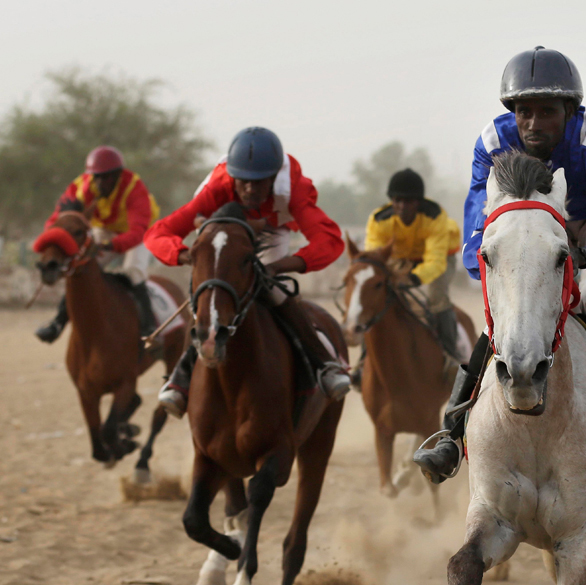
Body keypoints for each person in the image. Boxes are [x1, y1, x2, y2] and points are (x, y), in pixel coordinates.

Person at [413, 46, 586, 504]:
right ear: (512, 114)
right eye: (525, 112)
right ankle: (449, 435)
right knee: (504, 318)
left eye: (547, 112)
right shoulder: (491, 143)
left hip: (585, 224)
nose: (534, 124)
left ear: (570, 110)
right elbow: (477, 229)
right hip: (526, 233)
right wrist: (501, 274)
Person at [144, 127, 350, 417]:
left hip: (273, 231)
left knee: (272, 287)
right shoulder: (216, 188)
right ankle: (181, 378)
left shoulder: (295, 189)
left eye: (260, 182)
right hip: (227, 228)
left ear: (274, 177)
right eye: (244, 182)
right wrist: (186, 255)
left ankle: (323, 363)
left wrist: (279, 266)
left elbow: (329, 241)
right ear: (232, 177)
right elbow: (158, 233)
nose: (251, 189)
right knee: (210, 294)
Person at [35, 146, 160, 344]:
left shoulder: (134, 188)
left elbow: (136, 232)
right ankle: (58, 323)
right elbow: (56, 221)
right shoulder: (79, 188)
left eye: (107, 177)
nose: (101, 182)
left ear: (119, 175)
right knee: (80, 268)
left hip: (138, 232)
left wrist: (109, 246)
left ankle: (150, 327)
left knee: (133, 270)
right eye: (97, 177)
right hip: (105, 228)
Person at [363, 168, 463, 356]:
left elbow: (436, 262)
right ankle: (363, 361)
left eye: (408, 201)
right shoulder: (378, 220)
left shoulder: (435, 217)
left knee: (437, 298)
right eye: (397, 200)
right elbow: (374, 258)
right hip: (401, 258)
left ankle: (451, 356)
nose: (402, 206)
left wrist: (412, 278)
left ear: (418, 202)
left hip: (441, 257)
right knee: (373, 298)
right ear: (391, 201)